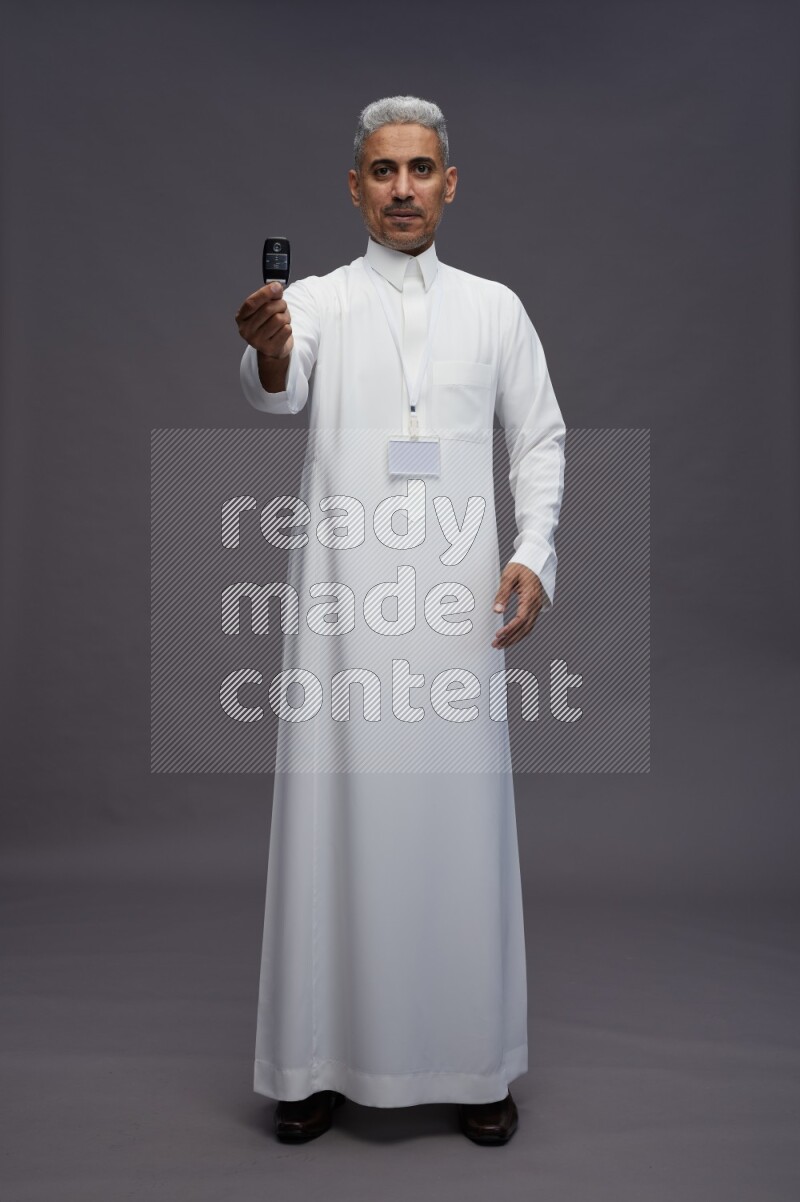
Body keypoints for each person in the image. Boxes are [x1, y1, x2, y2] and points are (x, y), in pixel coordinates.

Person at [234, 95, 566, 1146]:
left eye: (420, 169)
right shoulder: (321, 301)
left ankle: (473, 1061)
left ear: (449, 183)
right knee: (338, 817)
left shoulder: (494, 308)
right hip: (345, 605)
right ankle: (316, 1060)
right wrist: (271, 345)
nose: (403, 189)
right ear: (354, 188)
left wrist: (531, 551)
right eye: (383, 172)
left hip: (456, 604)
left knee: (458, 826)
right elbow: (274, 392)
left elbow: (541, 438)